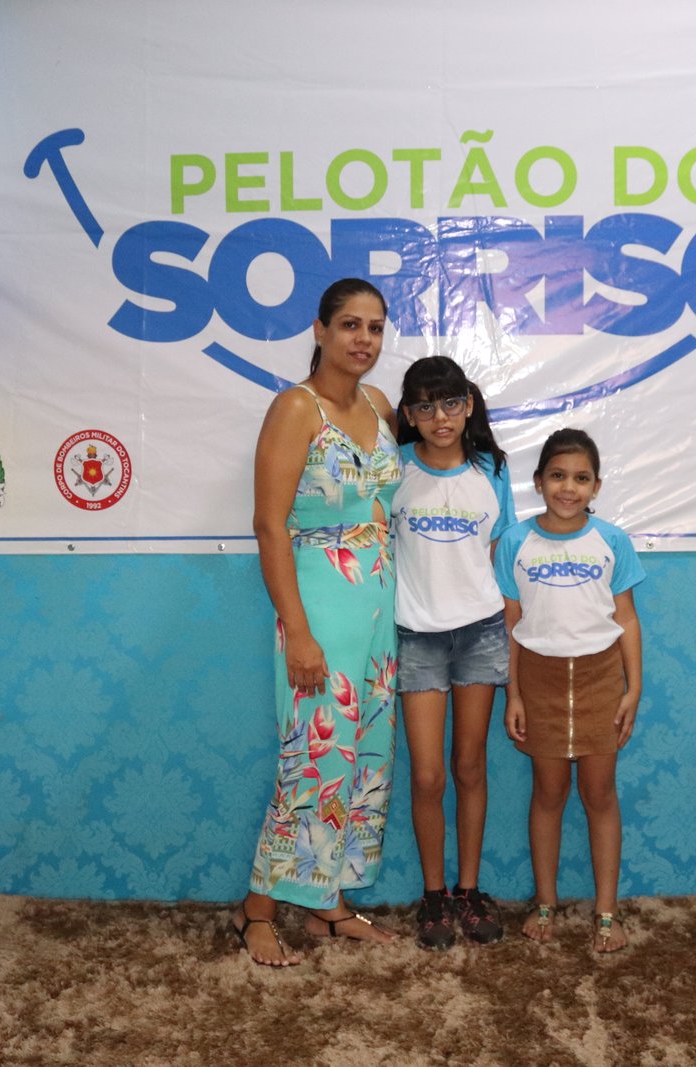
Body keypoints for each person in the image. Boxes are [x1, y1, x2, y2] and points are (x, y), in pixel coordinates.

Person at [233, 279, 403, 967]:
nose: (364, 339)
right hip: (320, 607)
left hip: (378, 609)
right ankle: (256, 910)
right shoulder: (295, 408)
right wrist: (297, 631)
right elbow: (269, 526)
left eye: (375, 327)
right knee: (314, 759)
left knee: (364, 757)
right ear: (321, 330)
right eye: (351, 325)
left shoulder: (381, 405)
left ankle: (325, 901)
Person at [493, 428, 644, 953]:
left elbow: (627, 617)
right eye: (557, 476)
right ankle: (545, 902)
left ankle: (606, 911)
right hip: (539, 681)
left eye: (581, 478)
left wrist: (634, 689)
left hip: (602, 679)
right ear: (538, 482)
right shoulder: (515, 542)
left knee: (600, 794)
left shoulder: (612, 541)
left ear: (596, 487)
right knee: (549, 793)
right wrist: (513, 693)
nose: (568, 488)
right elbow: (510, 625)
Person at [391, 356, 515, 950]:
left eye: (449, 403)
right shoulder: (393, 467)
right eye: (424, 406)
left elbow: (496, 558)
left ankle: (467, 890)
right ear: (409, 414)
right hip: (417, 635)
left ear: (468, 406)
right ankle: (434, 895)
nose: (439, 417)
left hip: (481, 634)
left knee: (470, 766)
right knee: (427, 774)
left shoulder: (492, 469)